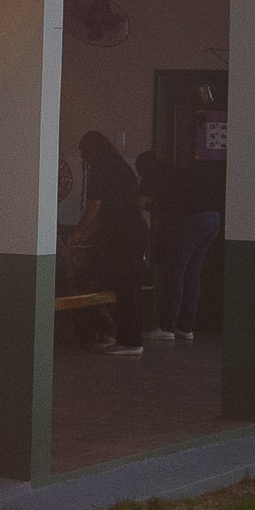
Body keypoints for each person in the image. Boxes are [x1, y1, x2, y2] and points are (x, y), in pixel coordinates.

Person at [77, 129, 152, 357]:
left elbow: (95, 206)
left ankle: (130, 341)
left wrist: (79, 232)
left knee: (124, 286)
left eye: (84, 151)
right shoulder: (119, 165)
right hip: (135, 229)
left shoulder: (101, 167)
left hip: (124, 233)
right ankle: (129, 338)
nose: (83, 157)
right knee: (130, 285)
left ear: (93, 147)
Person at [156, 149, 221, 342]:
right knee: (193, 272)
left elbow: (155, 204)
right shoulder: (183, 174)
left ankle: (167, 325)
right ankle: (186, 326)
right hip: (213, 218)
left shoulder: (159, 177)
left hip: (190, 220)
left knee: (175, 272)